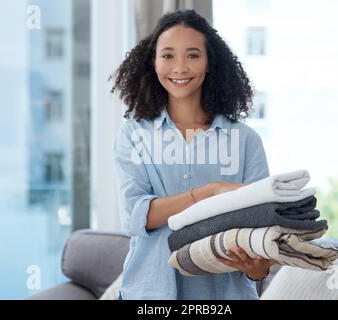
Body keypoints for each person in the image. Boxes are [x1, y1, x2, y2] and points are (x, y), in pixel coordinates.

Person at [111, 9, 275, 300]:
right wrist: (209, 193)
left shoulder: (245, 140)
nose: (179, 67)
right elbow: (136, 216)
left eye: (192, 55)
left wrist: (257, 268)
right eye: (168, 55)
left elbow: (260, 239)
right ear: (154, 62)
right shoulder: (133, 135)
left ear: (209, 62)